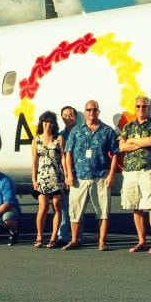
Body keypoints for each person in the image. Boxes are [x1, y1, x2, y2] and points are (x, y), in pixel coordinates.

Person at [62, 100, 119, 251]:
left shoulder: (107, 131)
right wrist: (68, 174)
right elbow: (68, 153)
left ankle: (102, 241)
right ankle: (74, 240)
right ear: (85, 112)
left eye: (94, 110)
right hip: (79, 177)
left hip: (100, 176)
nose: (91, 113)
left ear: (98, 111)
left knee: (103, 211)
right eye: (88, 110)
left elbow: (114, 155)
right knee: (75, 211)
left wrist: (111, 175)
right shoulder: (76, 131)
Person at [118, 95, 151, 254]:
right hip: (130, 170)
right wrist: (139, 142)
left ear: (148, 107)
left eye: (144, 106)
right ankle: (142, 241)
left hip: (148, 168)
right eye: (138, 106)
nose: (141, 109)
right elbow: (122, 147)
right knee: (136, 206)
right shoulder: (128, 127)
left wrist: (132, 141)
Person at [31, 110, 65, 248]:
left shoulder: (59, 138)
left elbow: (63, 157)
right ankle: (39, 235)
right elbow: (34, 162)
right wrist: (34, 179)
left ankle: (53, 237)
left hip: (56, 176)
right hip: (42, 178)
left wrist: (66, 174)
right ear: (42, 123)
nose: (48, 124)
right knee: (43, 207)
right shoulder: (36, 140)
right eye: (45, 122)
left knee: (57, 207)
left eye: (51, 122)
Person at [56, 105, 77, 245]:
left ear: (75, 117)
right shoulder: (60, 135)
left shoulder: (81, 132)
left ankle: (78, 237)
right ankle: (62, 236)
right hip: (65, 174)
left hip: (79, 173)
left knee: (77, 208)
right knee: (64, 207)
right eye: (65, 115)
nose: (67, 117)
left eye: (70, 115)